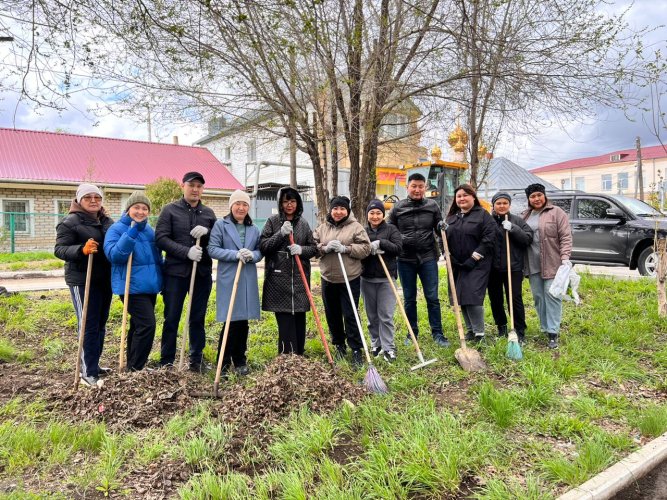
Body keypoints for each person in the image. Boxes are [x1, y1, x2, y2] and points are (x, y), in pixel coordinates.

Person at [155, 171, 217, 372]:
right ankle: (167, 361)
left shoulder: (208, 214)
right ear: (183, 186)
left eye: (199, 186)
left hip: (201, 274)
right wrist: (186, 252)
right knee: (172, 316)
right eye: (192, 185)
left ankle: (196, 360)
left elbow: (217, 240)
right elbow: (161, 238)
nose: (195, 189)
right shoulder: (169, 210)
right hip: (176, 274)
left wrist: (208, 232)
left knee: (197, 318)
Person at [54, 183, 113, 387]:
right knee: (88, 324)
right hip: (82, 280)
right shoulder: (69, 222)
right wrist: (81, 250)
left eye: (97, 197)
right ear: (79, 200)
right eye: (88, 197)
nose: (93, 201)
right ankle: (87, 373)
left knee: (100, 324)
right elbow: (60, 250)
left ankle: (94, 364)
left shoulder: (106, 220)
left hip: (105, 278)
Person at [387, 172, 449, 347]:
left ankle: (438, 333)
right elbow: (389, 228)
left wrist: (440, 226)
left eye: (421, 186)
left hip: (428, 257)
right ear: (407, 187)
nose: (417, 189)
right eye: (414, 186)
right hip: (405, 259)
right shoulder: (398, 207)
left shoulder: (432, 205)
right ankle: (411, 333)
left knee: (432, 297)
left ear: (425, 188)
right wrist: (400, 238)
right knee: (409, 298)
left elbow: (438, 227)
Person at [104, 192, 163, 371]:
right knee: (147, 325)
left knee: (138, 326)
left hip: (149, 287)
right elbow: (114, 256)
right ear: (128, 209)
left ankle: (132, 364)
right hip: (130, 287)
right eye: (136, 207)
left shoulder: (149, 230)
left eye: (144, 208)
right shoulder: (116, 229)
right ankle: (137, 367)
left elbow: (156, 258)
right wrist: (130, 234)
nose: (140, 211)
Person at [208, 190, 262, 376]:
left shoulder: (253, 229)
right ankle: (222, 363)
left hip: (247, 278)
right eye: (237, 204)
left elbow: (259, 251)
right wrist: (234, 254)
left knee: (243, 322)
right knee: (230, 320)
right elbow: (213, 249)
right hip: (229, 277)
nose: (241, 207)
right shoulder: (220, 225)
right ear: (231, 206)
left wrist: (252, 255)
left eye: (245, 204)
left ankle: (240, 359)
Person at [259, 187, 318, 355]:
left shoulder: (303, 223)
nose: (289, 205)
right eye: (285, 201)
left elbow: (313, 248)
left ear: (298, 203)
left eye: (292, 201)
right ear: (280, 203)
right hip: (278, 281)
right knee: (285, 322)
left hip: (299, 280)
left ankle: (299, 354)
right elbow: (264, 246)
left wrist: (301, 249)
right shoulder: (272, 221)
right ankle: (286, 358)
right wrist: (280, 234)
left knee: (299, 319)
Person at [313, 196, 371, 367]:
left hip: (350, 278)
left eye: (342, 209)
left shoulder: (356, 227)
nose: (339, 212)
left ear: (347, 210)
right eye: (335, 208)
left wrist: (346, 248)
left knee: (350, 314)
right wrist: (324, 248)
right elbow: (312, 247)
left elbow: (366, 248)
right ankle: (339, 345)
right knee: (332, 314)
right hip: (328, 278)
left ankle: (356, 349)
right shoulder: (322, 228)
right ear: (330, 210)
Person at [444, 184, 497, 342]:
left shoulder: (483, 215)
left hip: (477, 265)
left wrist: (474, 258)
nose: (461, 198)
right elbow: (442, 238)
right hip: (456, 265)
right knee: (460, 297)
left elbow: (489, 238)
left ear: (473, 197)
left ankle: (479, 333)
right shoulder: (451, 218)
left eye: (465, 195)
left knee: (472, 297)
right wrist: (449, 256)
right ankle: (470, 331)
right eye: (459, 196)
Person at [521, 183, 572, 349]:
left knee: (552, 296)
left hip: (553, 262)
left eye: (539, 195)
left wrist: (565, 257)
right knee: (538, 297)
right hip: (532, 262)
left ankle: (553, 332)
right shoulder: (525, 216)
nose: (536, 199)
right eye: (532, 196)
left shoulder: (557, 213)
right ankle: (544, 327)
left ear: (544, 195)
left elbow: (565, 236)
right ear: (528, 199)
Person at [487, 192, 533, 343]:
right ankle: (501, 326)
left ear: (509, 205)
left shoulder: (518, 221)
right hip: (493, 269)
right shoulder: (488, 221)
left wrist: (513, 228)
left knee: (515, 299)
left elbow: (527, 239)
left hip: (513, 267)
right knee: (496, 299)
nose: (501, 206)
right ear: (493, 205)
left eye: (505, 203)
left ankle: (519, 330)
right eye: (498, 203)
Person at [361, 199, 403, 362]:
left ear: (383, 214)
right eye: (372, 213)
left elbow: (398, 248)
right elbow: (358, 251)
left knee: (385, 315)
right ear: (367, 215)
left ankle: (388, 347)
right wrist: (368, 249)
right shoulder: (363, 231)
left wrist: (382, 243)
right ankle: (376, 344)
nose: (375, 216)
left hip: (387, 279)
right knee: (372, 316)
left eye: (378, 212)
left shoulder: (391, 229)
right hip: (367, 278)